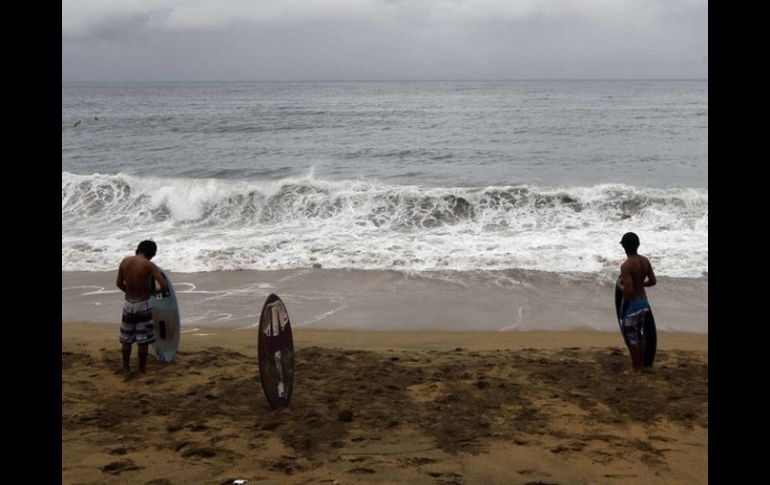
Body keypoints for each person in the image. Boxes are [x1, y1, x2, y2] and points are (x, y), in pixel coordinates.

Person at [116, 240, 167, 374]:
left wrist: (130, 292)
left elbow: (119, 283)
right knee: (143, 340)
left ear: (138, 249)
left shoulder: (125, 261)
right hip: (143, 304)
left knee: (126, 339)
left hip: (128, 303)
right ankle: (142, 370)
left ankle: (126, 368)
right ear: (151, 253)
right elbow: (163, 285)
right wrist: (153, 293)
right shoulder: (149, 265)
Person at [617, 232, 656, 375]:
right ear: (637, 244)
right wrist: (640, 284)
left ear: (624, 247)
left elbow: (628, 291)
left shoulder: (626, 266)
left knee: (630, 337)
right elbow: (652, 281)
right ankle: (641, 366)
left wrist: (619, 285)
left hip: (632, 305)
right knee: (640, 334)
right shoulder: (645, 261)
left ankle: (636, 368)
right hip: (644, 303)